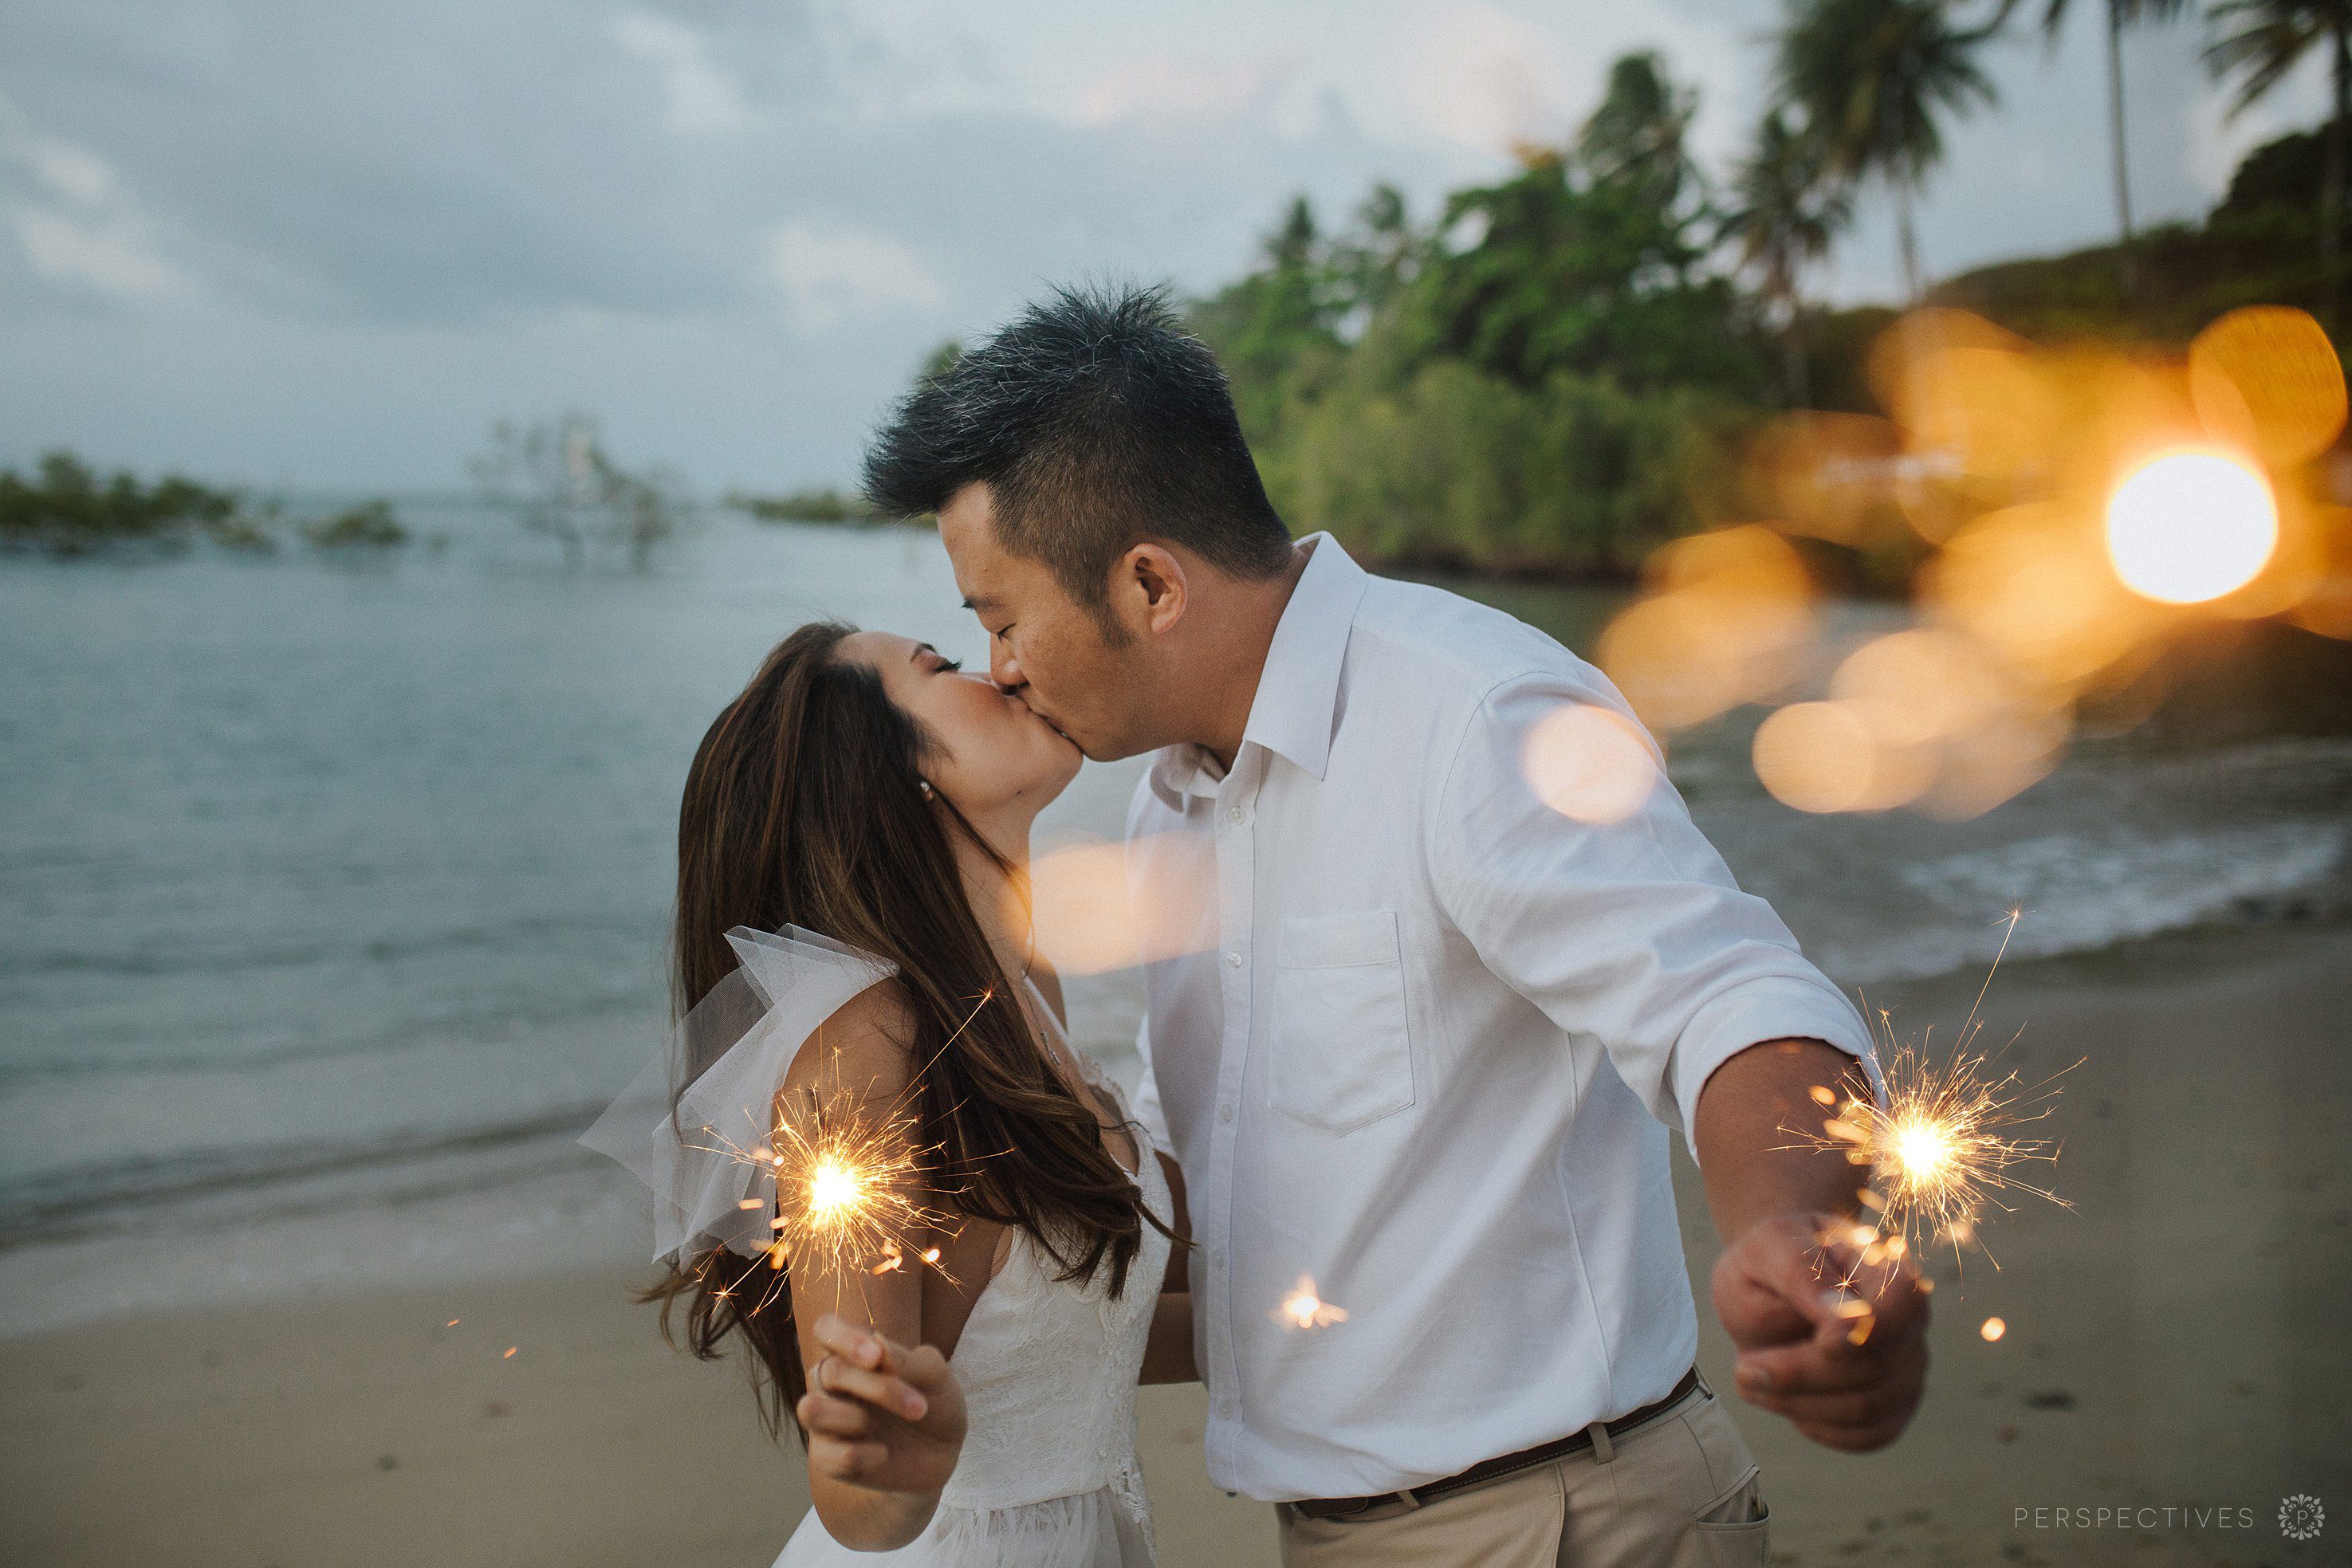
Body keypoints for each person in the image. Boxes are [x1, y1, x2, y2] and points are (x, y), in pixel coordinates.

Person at [855, 282, 1933, 1567]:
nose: (999, 668)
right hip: (1337, 1534)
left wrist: (1797, 1228)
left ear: (1148, 583)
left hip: (1563, 1522)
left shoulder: (1471, 714)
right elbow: (1236, 1171)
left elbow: (1727, 995)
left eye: (1000, 616)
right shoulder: (1169, 808)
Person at [581, 619, 1195, 1566]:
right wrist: (894, 1464)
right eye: (942, 666)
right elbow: (857, 1487)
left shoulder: (1025, 988)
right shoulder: (859, 1054)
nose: (1002, 669)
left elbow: (1065, 1345)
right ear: (890, 779)